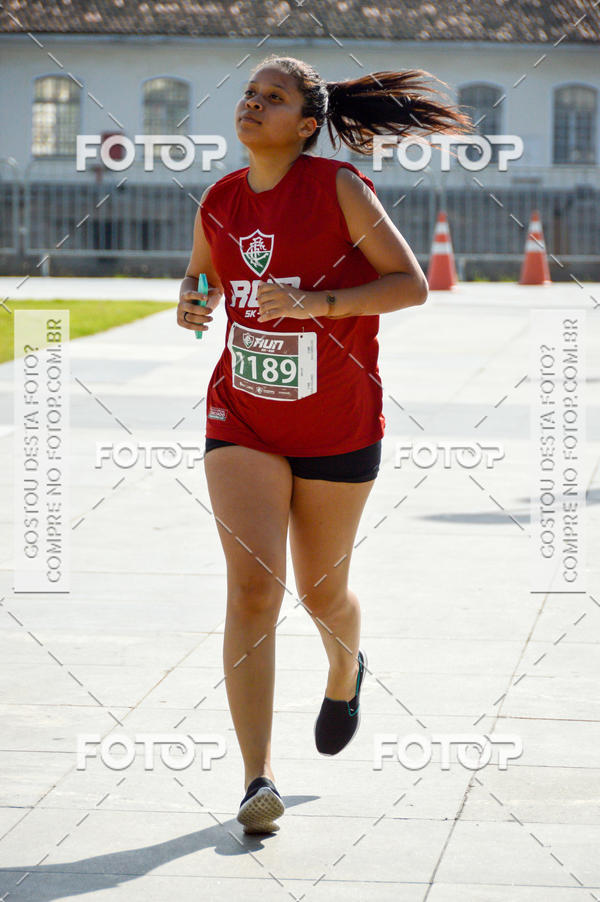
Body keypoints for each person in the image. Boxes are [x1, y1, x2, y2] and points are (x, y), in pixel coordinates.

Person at [176, 54, 471, 834]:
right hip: (241, 417)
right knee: (253, 587)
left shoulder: (339, 187)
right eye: (246, 93)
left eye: (270, 98)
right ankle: (256, 779)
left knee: (320, 594)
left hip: (338, 421)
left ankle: (346, 667)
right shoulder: (220, 198)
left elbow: (411, 285)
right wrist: (193, 301)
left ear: (307, 125)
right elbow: (205, 277)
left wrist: (318, 302)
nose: (251, 104)